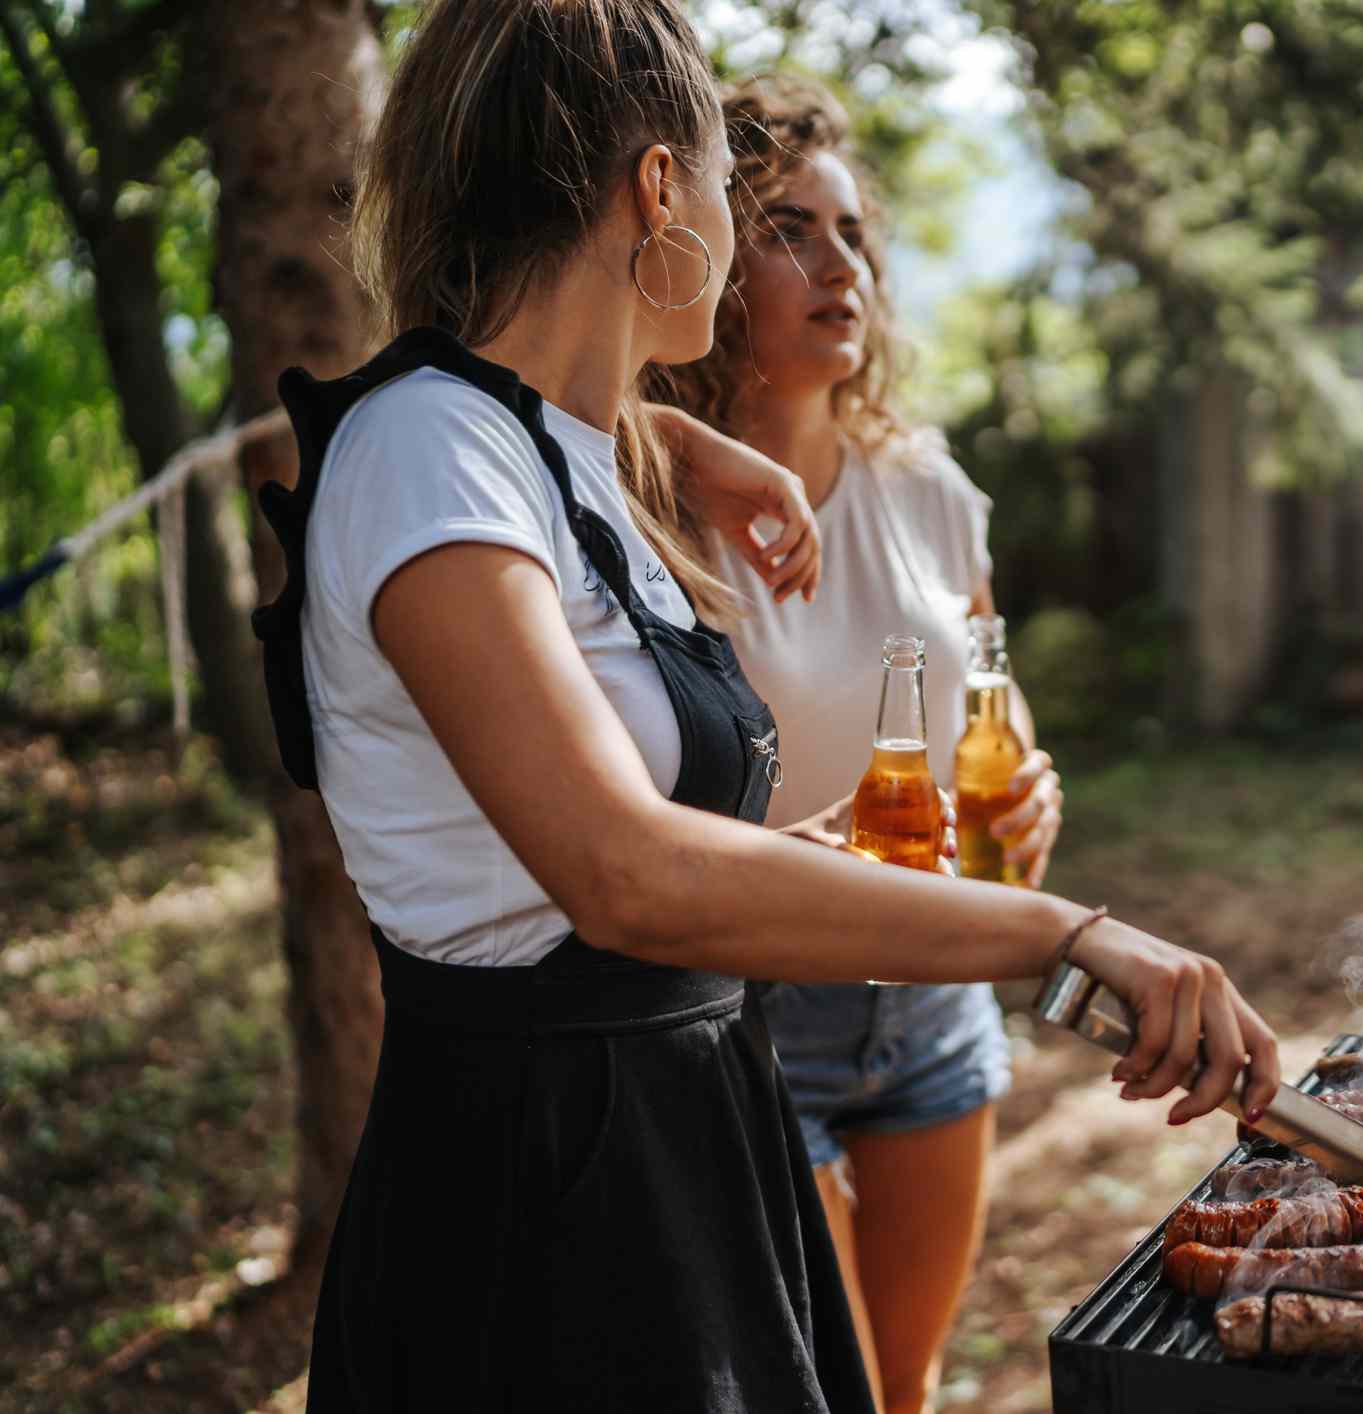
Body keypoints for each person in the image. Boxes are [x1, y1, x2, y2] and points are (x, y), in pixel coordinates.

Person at [249, 0, 1281, 1410]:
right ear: (659, 192)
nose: (746, 242)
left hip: (685, 1134)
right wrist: (1067, 933)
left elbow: (605, 855)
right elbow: (621, 874)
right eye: (741, 198)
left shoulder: (554, 456)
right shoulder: (431, 452)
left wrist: (834, 855)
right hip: (542, 1191)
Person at [650, 77, 1055, 1414]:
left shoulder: (928, 487)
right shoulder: (648, 506)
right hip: (757, 1010)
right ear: (708, 258)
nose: (842, 266)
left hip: (937, 988)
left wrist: (1030, 780)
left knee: (911, 1388)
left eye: (852, 233)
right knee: (832, 1394)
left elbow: (990, 695)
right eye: (788, 230)